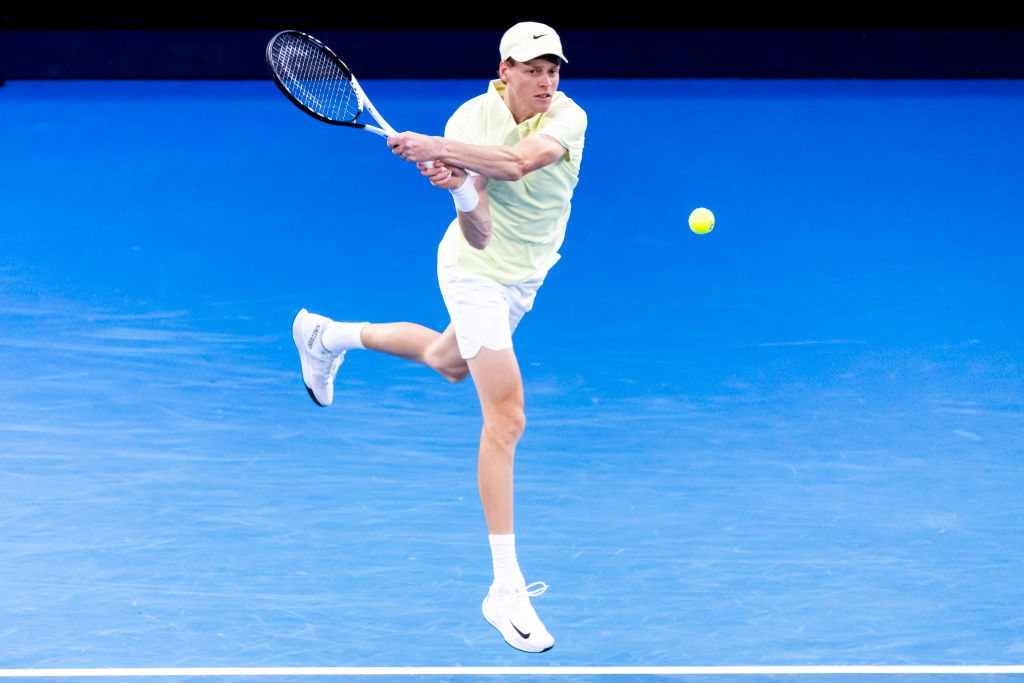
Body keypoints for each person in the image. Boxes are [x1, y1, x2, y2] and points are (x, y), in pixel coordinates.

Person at [291, 21, 586, 653]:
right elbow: (477, 233)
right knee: (506, 417)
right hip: (473, 271)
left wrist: (445, 155)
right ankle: (503, 588)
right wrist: (458, 189)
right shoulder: (468, 122)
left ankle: (325, 336)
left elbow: (515, 164)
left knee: (445, 359)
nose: (546, 81)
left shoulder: (568, 118)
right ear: (503, 69)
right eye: (532, 69)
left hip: (524, 275)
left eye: (553, 69)